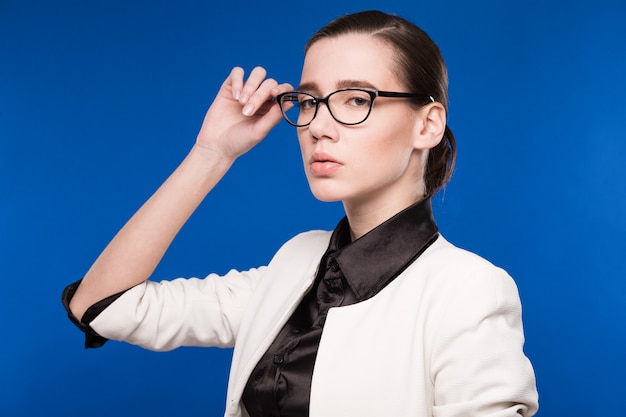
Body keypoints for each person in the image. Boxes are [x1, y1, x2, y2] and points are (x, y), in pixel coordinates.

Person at [62, 10, 538, 417]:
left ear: (427, 124)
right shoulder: (294, 264)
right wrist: (210, 154)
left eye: (356, 99)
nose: (319, 127)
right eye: (309, 100)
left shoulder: (467, 290)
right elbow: (103, 307)